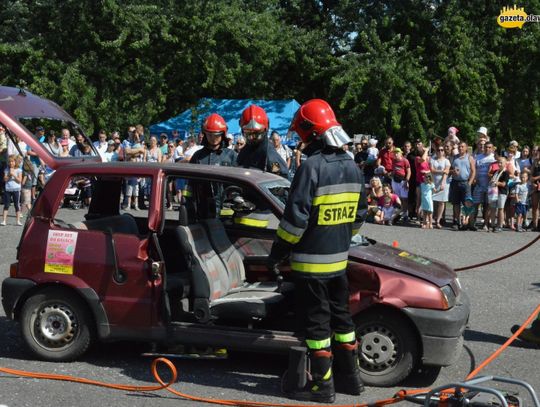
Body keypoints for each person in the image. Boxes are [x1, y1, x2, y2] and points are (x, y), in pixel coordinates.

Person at [266, 99, 366, 402]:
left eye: (302, 134)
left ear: (311, 132)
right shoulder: (352, 166)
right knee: (343, 322)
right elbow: (358, 216)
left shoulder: (311, 167)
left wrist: (278, 252)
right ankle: (352, 379)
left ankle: (322, 387)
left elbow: (295, 220)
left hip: (311, 266)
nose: (301, 141)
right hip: (339, 263)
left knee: (317, 326)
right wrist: (338, 239)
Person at [237, 105, 288, 178]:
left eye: (257, 134)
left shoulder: (271, 157)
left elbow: (282, 181)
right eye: (248, 134)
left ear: (265, 130)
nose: (252, 138)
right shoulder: (245, 150)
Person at [449, 142, 476, 230]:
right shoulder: (454, 157)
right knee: (456, 204)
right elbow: (449, 170)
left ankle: (467, 223)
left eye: (462, 146)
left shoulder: (470, 157)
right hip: (455, 182)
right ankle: (457, 222)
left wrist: (470, 182)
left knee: (467, 204)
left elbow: (473, 171)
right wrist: (453, 171)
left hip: (465, 183)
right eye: (459, 146)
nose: (460, 148)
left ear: (466, 148)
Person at [431, 145, 450, 228]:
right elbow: (432, 170)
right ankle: (430, 219)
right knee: (431, 201)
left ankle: (438, 220)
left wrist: (443, 182)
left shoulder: (447, 161)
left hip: (443, 183)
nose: (440, 151)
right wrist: (442, 171)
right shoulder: (432, 160)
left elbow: (446, 172)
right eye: (438, 150)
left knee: (441, 202)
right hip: (433, 182)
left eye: (442, 150)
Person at [488, 156, 509, 232]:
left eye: (501, 162)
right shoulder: (495, 171)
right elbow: (491, 179)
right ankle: (493, 225)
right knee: (493, 208)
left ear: (505, 163)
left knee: (500, 209)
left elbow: (504, 184)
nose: (499, 164)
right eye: (498, 162)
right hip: (494, 192)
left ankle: (500, 225)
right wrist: (492, 182)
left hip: (502, 192)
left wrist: (496, 183)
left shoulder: (506, 172)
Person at [390, 147, 410, 222]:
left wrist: (407, 181)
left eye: (397, 152)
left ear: (400, 153)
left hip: (403, 181)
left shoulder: (405, 160)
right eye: (394, 152)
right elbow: (394, 170)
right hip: (395, 181)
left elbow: (409, 171)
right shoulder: (394, 161)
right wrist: (391, 175)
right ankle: (398, 214)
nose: (395, 154)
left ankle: (405, 214)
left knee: (404, 199)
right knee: (397, 198)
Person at [2, 154, 23, 226]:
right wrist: (9, 175)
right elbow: (5, 179)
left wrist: (13, 174)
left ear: (15, 162)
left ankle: (18, 221)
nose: (11, 163)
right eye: (10, 162)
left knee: (16, 205)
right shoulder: (6, 169)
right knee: (6, 205)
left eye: (13, 161)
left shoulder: (19, 170)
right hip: (8, 189)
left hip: (16, 190)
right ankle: (4, 220)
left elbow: (20, 180)